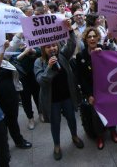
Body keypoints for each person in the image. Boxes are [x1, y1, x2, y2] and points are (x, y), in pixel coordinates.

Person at [34, 19, 84, 160]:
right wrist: (49, 68)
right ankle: (56, 145)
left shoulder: (62, 55)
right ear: (43, 49)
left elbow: (72, 43)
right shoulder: (39, 62)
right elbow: (41, 81)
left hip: (67, 96)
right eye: (48, 47)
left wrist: (69, 30)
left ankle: (74, 136)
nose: (52, 48)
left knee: (71, 119)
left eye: (54, 45)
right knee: (55, 123)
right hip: (52, 100)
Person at [76, 27, 117, 150]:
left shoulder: (104, 50)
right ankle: (99, 136)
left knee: (111, 110)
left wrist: (102, 55)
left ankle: (113, 131)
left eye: (94, 36)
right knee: (95, 115)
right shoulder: (81, 56)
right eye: (89, 37)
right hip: (93, 92)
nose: (92, 38)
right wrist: (89, 94)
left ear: (97, 38)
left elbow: (113, 66)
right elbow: (81, 79)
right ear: (86, 39)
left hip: (107, 89)